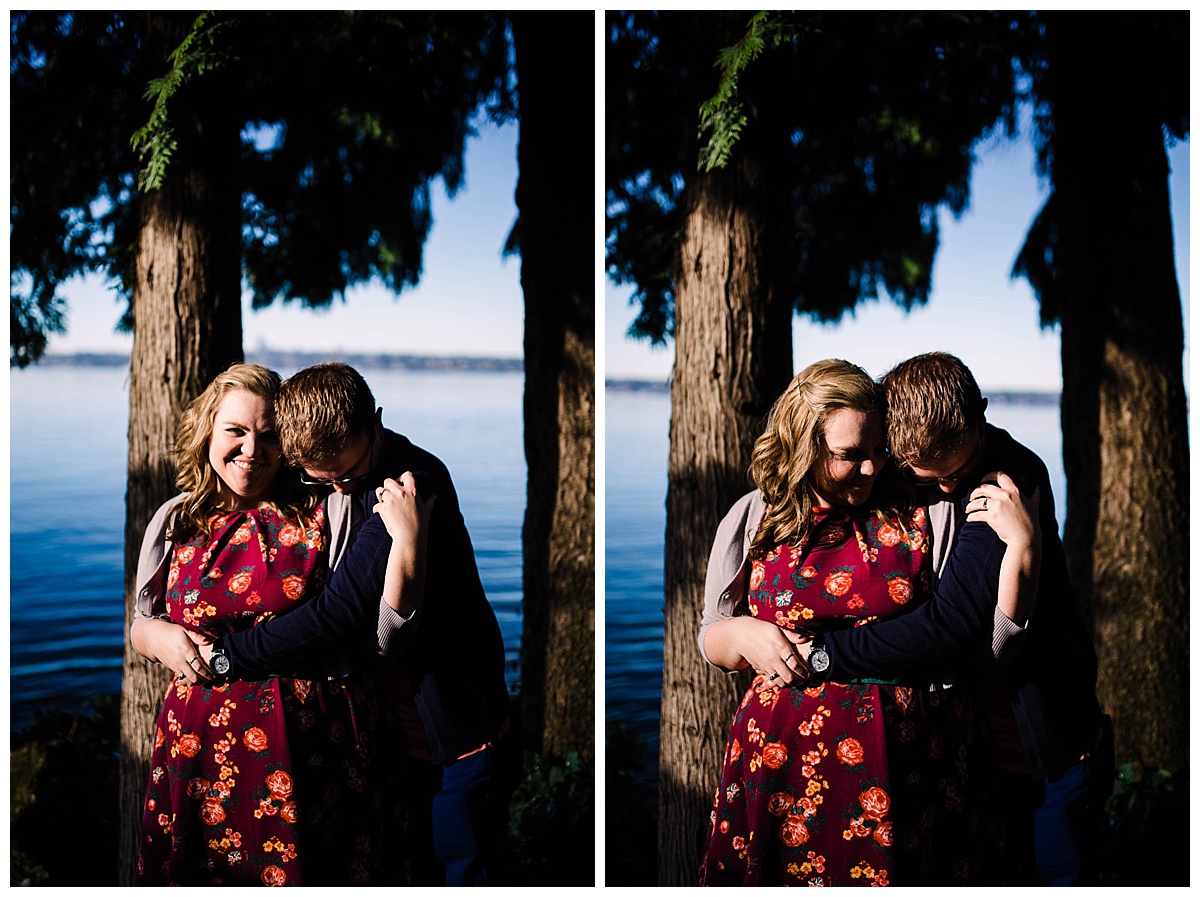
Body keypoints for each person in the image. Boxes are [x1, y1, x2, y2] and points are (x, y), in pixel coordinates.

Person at [697, 359, 1038, 886]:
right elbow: (711, 636)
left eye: (879, 450)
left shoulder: (931, 507)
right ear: (802, 445)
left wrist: (1024, 550)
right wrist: (742, 633)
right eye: (848, 455)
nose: (871, 468)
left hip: (918, 767)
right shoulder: (752, 516)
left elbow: (974, 637)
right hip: (781, 768)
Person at [794, 352, 1111, 885]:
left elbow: (952, 624)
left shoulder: (1006, 480)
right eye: (929, 477)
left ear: (981, 414)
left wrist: (829, 652)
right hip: (975, 749)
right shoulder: (895, 457)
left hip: (1048, 748)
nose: (946, 490)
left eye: (956, 474)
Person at [194, 362, 515, 887]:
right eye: (325, 479)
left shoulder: (406, 485)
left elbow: (339, 613)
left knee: (460, 874)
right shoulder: (333, 481)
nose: (343, 488)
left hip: (455, 736)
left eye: (351, 473)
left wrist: (230, 656)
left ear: (377, 422)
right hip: (390, 734)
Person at [130, 363, 405, 886]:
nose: (252, 450)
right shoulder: (174, 519)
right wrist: (154, 635)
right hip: (199, 759)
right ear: (207, 431)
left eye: (269, 435)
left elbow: (371, 631)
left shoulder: (328, 511)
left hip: (314, 754)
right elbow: (142, 625)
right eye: (235, 430)